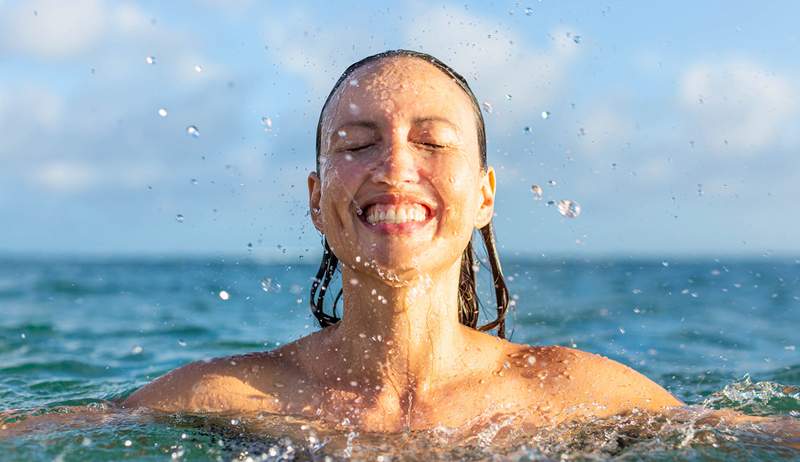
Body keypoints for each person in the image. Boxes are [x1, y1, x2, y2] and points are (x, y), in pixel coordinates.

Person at [122, 49, 683, 432]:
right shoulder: (220, 399)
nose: (394, 167)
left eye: (433, 143)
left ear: (484, 195)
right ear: (316, 199)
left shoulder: (577, 398)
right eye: (357, 144)